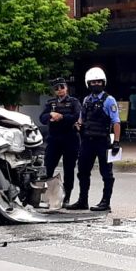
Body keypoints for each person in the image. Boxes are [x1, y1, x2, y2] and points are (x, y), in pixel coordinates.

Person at [67, 67, 120, 212]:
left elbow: (116, 122)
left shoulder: (109, 100)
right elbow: (82, 118)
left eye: (99, 82)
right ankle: (82, 200)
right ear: (88, 84)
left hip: (103, 141)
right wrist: (77, 125)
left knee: (106, 173)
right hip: (87, 142)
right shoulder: (86, 100)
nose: (96, 84)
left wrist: (116, 142)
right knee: (82, 171)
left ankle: (105, 202)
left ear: (103, 83)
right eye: (93, 82)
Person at [38, 77, 82, 208]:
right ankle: (45, 197)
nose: (60, 90)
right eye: (56, 88)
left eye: (62, 87)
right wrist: (51, 115)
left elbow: (76, 116)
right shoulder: (51, 103)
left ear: (66, 88)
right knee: (48, 168)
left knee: (69, 170)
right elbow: (42, 118)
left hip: (70, 139)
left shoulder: (73, 102)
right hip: (54, 140)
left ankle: (66, 198)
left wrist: (61, 117)